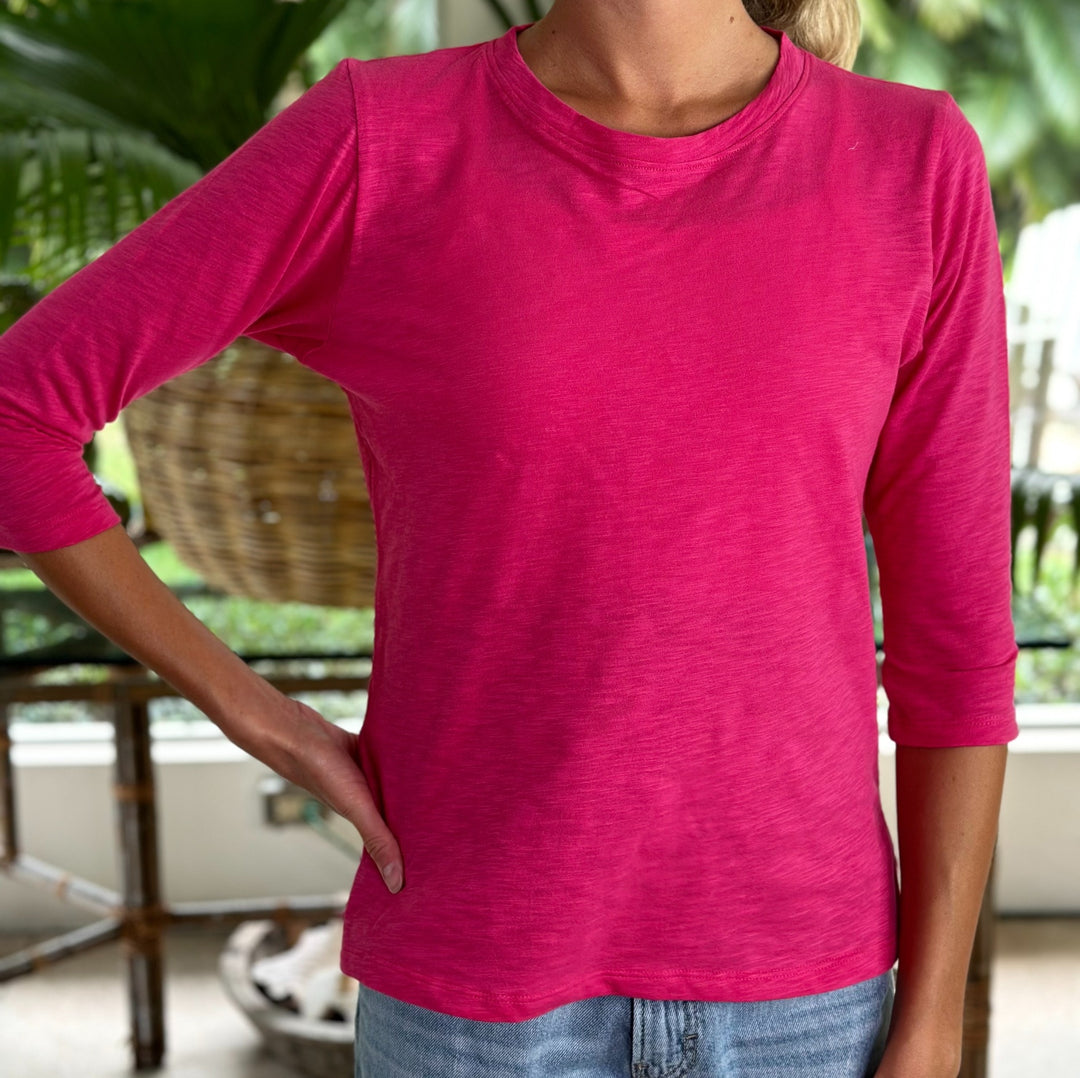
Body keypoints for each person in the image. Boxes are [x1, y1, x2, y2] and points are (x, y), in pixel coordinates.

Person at [0, 0, 1018, 1074]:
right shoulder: (384, 140)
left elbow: (954, 643)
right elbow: (21, 415)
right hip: (475, 1004)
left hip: (807, 1008)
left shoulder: (911, 160)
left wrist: (934, 1017)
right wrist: (265, 721)